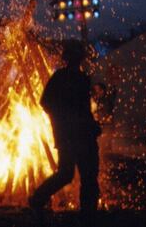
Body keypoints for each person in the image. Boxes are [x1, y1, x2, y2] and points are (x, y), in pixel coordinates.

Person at [29, 41, 101, 221]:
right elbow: (51, 104)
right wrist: (66, 121)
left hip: (72, 135)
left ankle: (38, 199)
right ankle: (87, 215)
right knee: (85, 175)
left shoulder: (64, 78)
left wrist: (61, 121)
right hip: (77, 135)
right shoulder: (76, 79)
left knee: (71, 174)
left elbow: (47, 103)